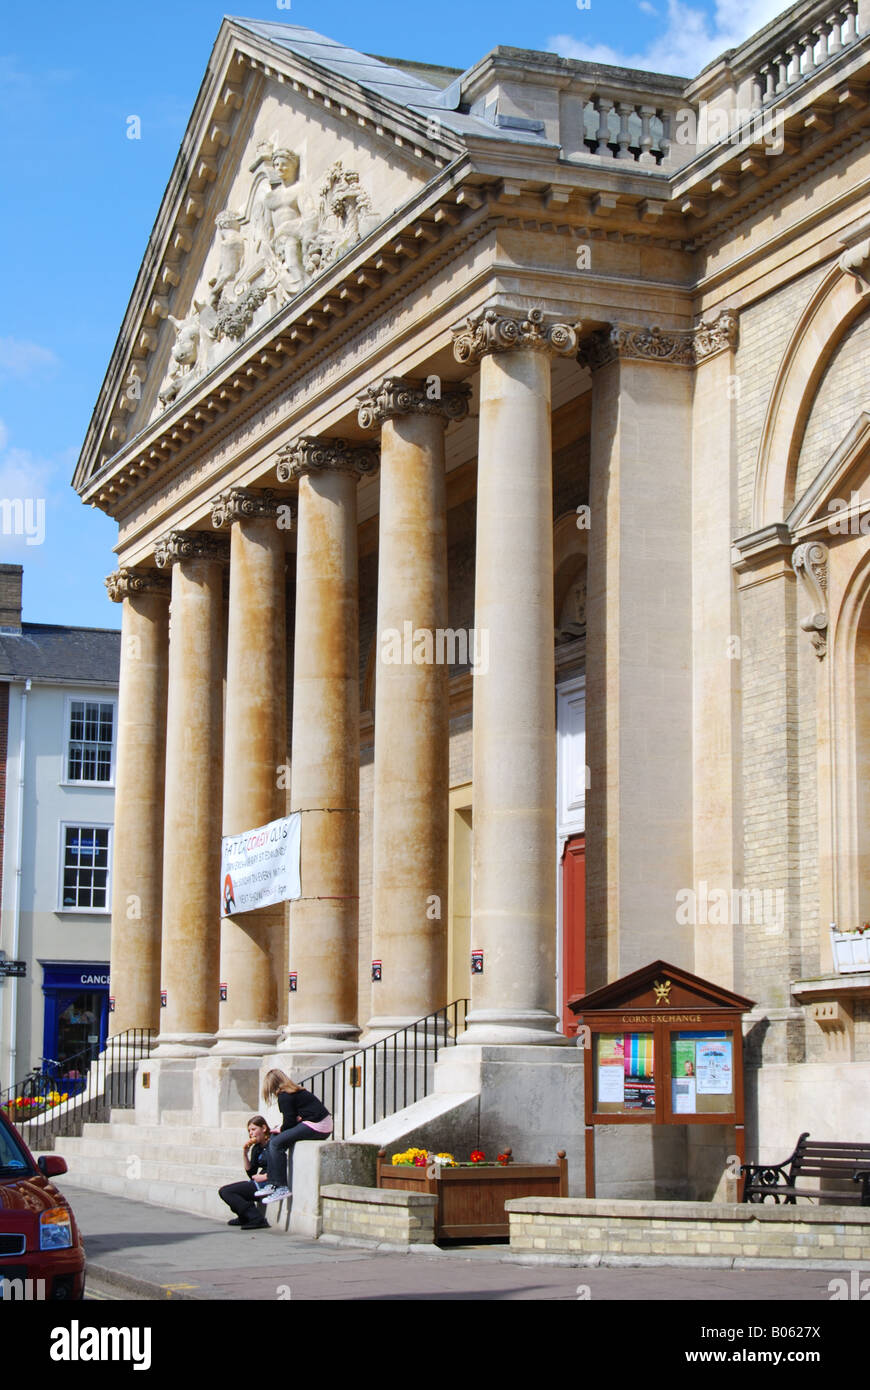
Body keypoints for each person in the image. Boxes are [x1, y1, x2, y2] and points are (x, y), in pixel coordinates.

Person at [255, 1069, 332, 1205]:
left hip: (318, 1126)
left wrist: (281, 1129)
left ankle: (281, 1186)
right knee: (274, 1139)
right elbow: (294, 1119)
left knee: (276, 1143)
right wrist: (281, 1129)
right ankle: (272, 1183)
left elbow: (289, 1122)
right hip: (319, 1123)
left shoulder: (285, 1096)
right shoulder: (295, 1092)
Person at [218, 1116, 273, 1230]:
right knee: (226, 1191)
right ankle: (244, 1216)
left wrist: (265, 1176)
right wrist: (244, 1154)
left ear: (263, 1128)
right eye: (249, 1131)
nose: (251, 1133)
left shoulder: (273, 1144)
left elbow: (281, 1166)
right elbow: (251, 1172)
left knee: (226, 1191)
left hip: (269, 1182)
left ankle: (256, 1217)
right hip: (258, 1181)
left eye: (253, 1129)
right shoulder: (257, 1148)